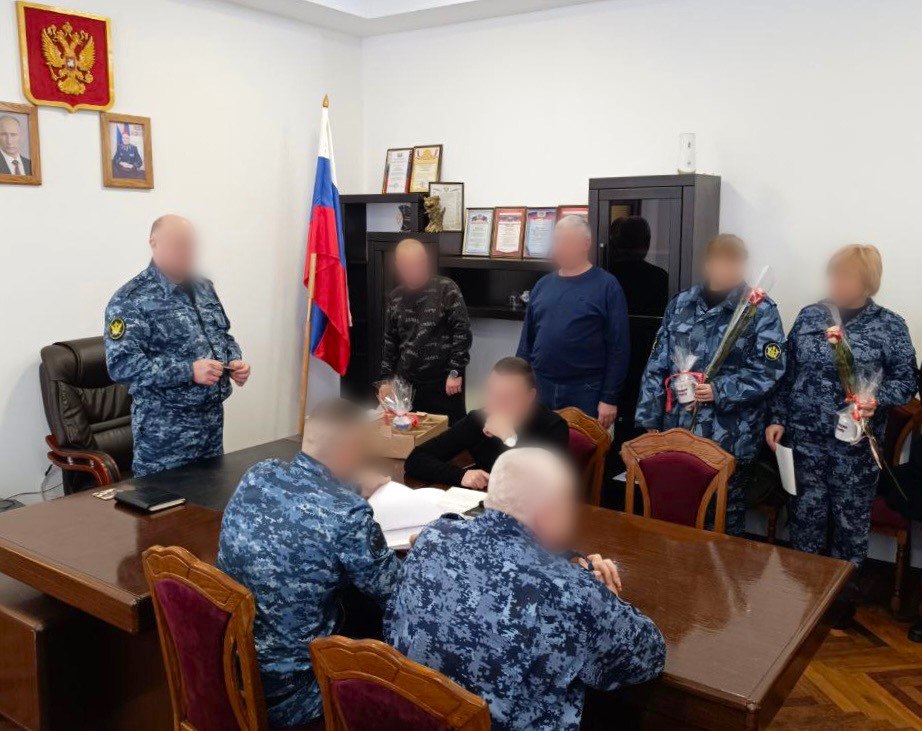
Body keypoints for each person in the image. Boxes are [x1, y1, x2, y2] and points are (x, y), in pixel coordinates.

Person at [386, 447, 665, 731]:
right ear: (547, 514)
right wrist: (606, 597)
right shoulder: (569, 590)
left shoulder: (433, 536)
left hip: (414, 718)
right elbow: (648, 658)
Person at [218, 398, 401, 728]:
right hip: (295, 694)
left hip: (232, 667)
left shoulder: (259, 474)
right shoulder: (347, 515)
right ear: (351, 448)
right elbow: (397, 593)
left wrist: (352, 486)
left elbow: (305, 494)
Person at [767, 244, 916, 618]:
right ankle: (803, 602)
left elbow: (906, 382)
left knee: (850, 528)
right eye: (834, 273)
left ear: (867, 282)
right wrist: (777, 417)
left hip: (854, 450)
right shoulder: (811, 316)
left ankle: (840, 604)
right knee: (804, 520)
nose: (836, 282)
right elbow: (787, 373)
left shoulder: (890, 326)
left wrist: (875, 398)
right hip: (804, 441)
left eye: (846, 276)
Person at [636, 234, 786, 535]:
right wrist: (650, 421)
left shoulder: (759, 309)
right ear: (708, 264)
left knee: (724, 520)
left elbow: (770, 371)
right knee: (676, 514)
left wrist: (720, 390)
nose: (726, 270)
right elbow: (657, 363)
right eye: (720, 262)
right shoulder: (682, 303)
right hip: (678, 429)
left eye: (733, 264)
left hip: (730, 434)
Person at [105, 215, 250, 477]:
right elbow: (122, 365)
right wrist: (188, 371)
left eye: (190, 245)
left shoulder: (204, 287)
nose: (187, 252)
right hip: (164, 433)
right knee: (163, 501)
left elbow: (221, 336)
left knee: (211, 497)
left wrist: (234, 361)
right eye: (178, 245)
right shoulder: (131, 299)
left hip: (211, 425)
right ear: (154, 244)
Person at [516, 216, 629, 429]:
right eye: (557, 241)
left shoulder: (607, 286)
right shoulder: (542, 285)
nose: (559, 248)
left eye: (567, 241)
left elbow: (619, 347)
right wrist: (519, 383)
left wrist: (609, 397)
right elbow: (526, 341)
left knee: (580, 448)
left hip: (586, 390)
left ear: (586, 244)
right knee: (540, 446)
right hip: (541, 386)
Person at [404, 356, 569, 488]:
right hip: (485, 505)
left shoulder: (553, 426)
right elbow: (416, 459)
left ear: (529, 397)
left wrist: (509, 439)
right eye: (492, 393)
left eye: (507, 397)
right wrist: (461, 476)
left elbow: (544, 484)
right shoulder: (478, 420)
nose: (495, 404)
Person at [379, 238, 472, 424]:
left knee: (449, 433)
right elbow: (390, 342)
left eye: (417, 264)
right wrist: (386, 381)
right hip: (408, 386)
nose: (413, 269)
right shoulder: (395, 297)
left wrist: (455, 371)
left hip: (444, 383)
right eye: (407, 265)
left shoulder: (447, 289)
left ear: (425, 262)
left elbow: (461, 332)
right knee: (413, 433)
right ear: (398, 266)